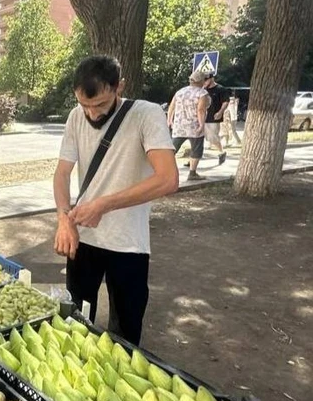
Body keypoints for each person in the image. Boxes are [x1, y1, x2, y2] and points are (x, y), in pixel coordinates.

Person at [53, 55, 179, 345]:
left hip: (128, 243)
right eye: (84, 104)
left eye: (99, 104)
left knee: (125, 332)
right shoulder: (76, 116)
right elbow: (61, 174)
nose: (92, 114)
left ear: (119, 87)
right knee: (75, 324)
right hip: (82, 238)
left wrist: (102, 204)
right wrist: (63, 218)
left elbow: (168, 178)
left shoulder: (146, 115)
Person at [167, 69, 210, 181]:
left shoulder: (180, 91)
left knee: (173, 148)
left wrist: (169, 120)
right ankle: (192, 173)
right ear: (201, 81)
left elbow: (172, 106)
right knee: (196, 149)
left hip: (179, 125)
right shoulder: (202, 93)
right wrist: (201, 124)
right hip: (194, 125)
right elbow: (200, 110)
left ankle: (164, 170)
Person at [203, 70, 229, 163]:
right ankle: (194, 157)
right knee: (196, 138)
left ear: (211, 78)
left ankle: (222, 152)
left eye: (206, 80)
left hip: (213, 117)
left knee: (212, 137)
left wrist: (220, 112)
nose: (204, 82)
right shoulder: (202, 89)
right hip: (201, 117)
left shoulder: (220, 89)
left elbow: (225, 102)